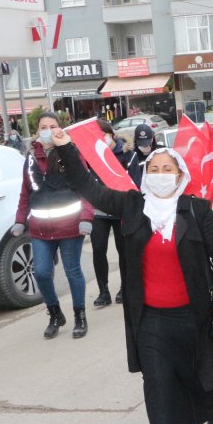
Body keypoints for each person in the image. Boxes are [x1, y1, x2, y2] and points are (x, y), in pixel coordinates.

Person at [51, 130, 213, 424]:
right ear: (145, 174)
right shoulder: (132, 206)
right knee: (157, 380)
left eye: (168, 169)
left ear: (180, 176)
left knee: (200, 372)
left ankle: (212, 409)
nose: (160, 174)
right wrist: (65, 148)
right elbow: (90, 188)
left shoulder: (197, 210)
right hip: (149, 317)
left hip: (193, 313)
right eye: (154, 168)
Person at [13, 112, 93, 339]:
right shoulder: (30, 158)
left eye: (52, 126)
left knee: (72, 271)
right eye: (43, 127)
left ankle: (80, 315)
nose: (48, 130)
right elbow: (25, 192)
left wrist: (86, 218)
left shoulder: (71, 152)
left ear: (61, 129)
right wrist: (20, 220)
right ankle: (55, 313)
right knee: (41, 273)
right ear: (38, 131)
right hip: (40, 229)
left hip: (70, 227)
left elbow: (86, 187)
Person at [91, 119, 133, 307]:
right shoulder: (92, 155)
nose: (101, 139)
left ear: (111, 133)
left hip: (121, 209)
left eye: (103, 135)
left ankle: (125, 287)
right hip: (100, 210)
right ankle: (103, 291)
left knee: (123, 251)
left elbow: (133, 182)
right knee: (98, 249)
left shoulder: (127, 154)